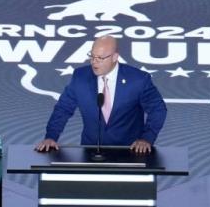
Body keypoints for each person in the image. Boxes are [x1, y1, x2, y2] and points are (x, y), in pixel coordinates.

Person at [35, 35, 167, 154]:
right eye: (92, 56)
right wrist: (51, 137)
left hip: (129, 152)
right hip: (91, 152)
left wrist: (146, 138)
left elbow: (158, 109)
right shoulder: (80, 77)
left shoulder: (138, 80)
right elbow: (63, 109)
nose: (94, 62)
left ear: (115, 57)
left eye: (100, 58)